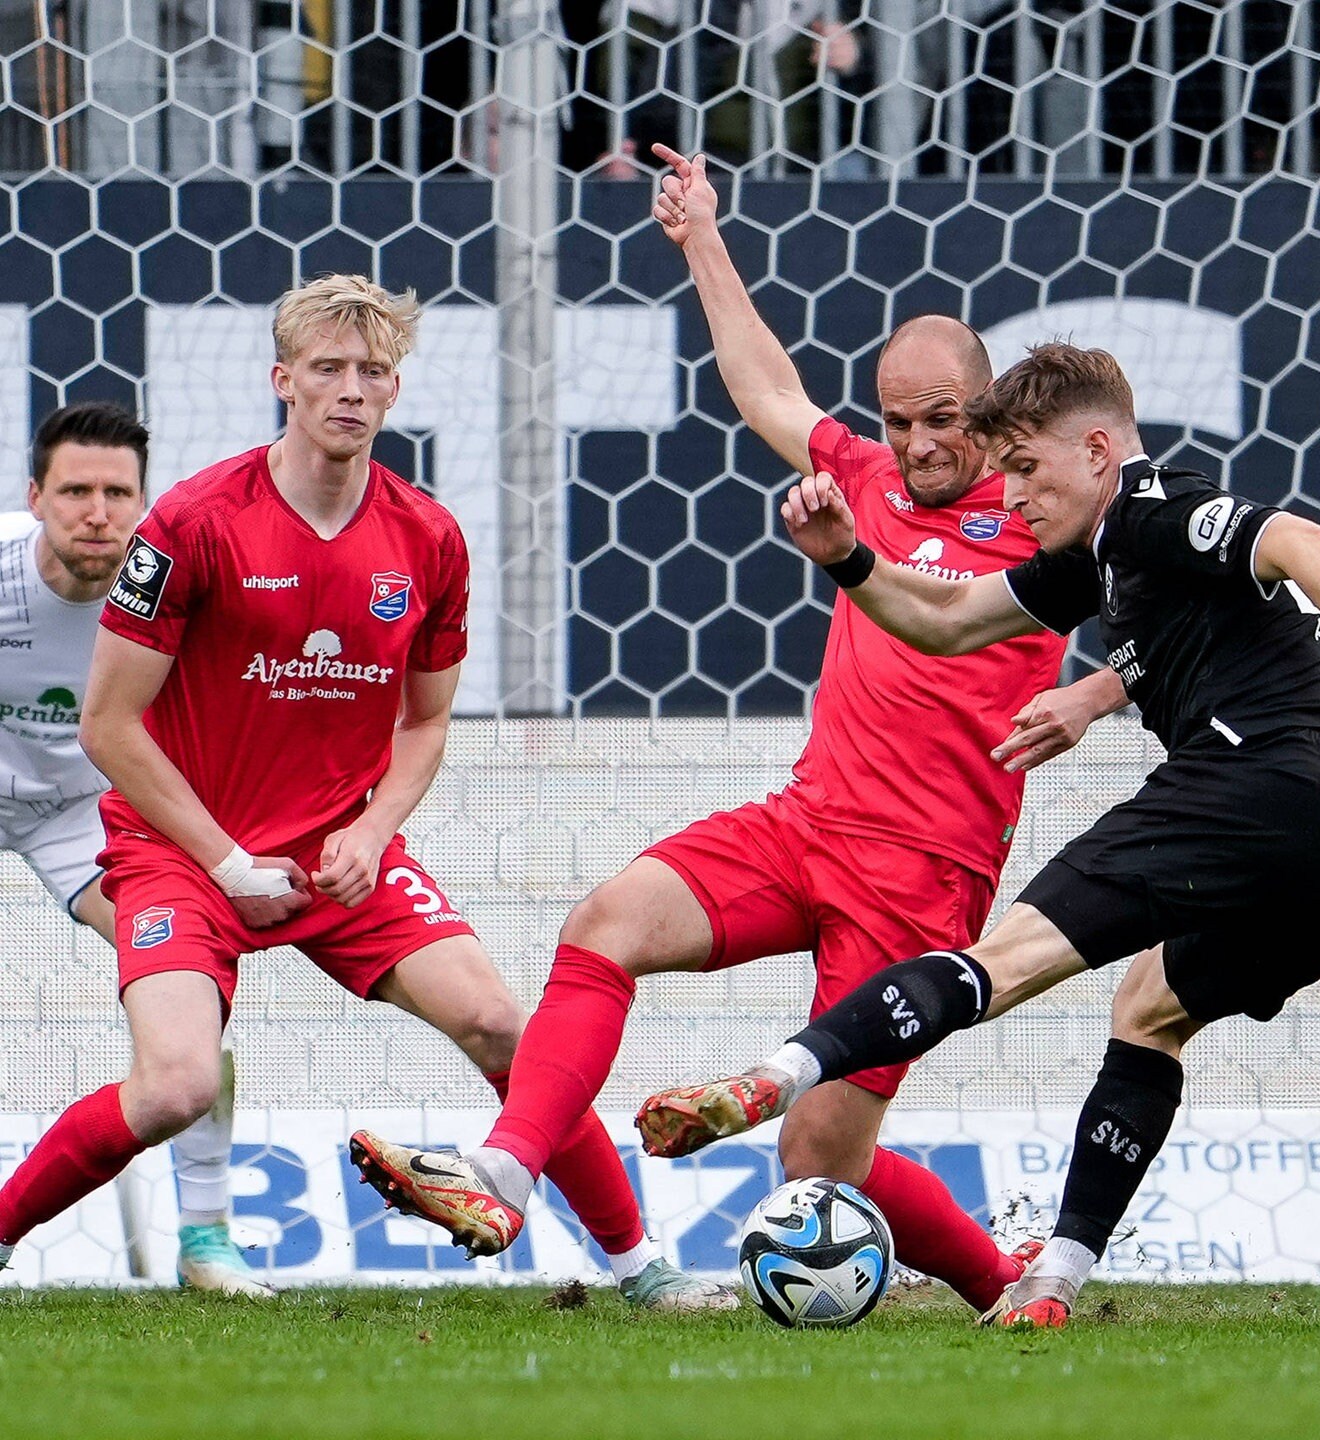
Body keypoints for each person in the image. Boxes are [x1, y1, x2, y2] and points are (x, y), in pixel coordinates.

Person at [347, 153, 1129, 1315]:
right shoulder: (863, 474)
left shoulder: (1042, 513)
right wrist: (701, 238)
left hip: (923, 874)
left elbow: (1196, 600)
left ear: (996, 414)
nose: (917, 443)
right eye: (897, 418)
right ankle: (503, 1174)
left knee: (819, 1165)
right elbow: (767, 390)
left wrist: (1098, 694)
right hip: (807, 822)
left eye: (945, 422)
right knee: (604, 925)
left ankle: (1003, 1286)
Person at [633, 340, 1320, 1327]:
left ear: (1097, 451)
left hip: (1262, 775)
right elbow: (944, 618)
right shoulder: (1092, 565)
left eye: (1025, 468)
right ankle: (1051, 1281)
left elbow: (1314, 547)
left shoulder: (1152, 510)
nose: (1011, 498)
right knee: (1149, 1012)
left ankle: (769, 1081)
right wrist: (848, 558)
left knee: (998, 963)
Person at [0, 276, 728, 1312]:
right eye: (328, 369)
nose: (350, 389)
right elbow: (108, 725)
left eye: (372, 371)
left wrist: (376, 827)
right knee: (177, 1086)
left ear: (395, 389)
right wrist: (224, 861)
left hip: (344, 852)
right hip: (184, 853)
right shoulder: (192, 522)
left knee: (503, 1027)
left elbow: (425, 722)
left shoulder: (429, 538)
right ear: (282, 381)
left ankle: (639, 1265)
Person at [0, 401, 269, 1296]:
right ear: (35, 497)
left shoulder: (173, 590)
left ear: (144, 503)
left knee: (185, 1001)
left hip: (82, 812)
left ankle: (206, 1240)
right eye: (75, 489)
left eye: (118, 492)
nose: (97, 511)